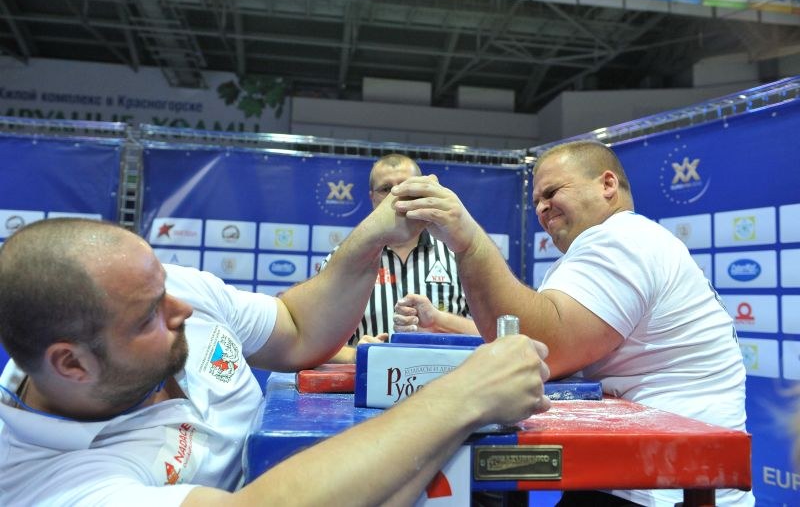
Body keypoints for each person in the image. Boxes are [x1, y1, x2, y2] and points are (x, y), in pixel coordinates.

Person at [0, 215, 551, 506]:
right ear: (72, 365)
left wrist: (369, 240)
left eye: (164, 285)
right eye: (148, 316)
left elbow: (295, 328)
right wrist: (462, 396)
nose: (182, 309)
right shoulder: (51, 485)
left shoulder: (171, 298)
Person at [391, 140, 754, 507]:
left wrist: (468, 241)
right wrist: (442, 321)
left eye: (551, 192)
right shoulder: (618, 244)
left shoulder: (622, 240)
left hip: (662, 488)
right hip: (651, 474)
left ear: (607, 185)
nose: (541, 207)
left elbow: (548, 348)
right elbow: (525, 338)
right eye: (535, 201)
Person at [322, 153, 477, 363]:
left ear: (422, 192)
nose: (396, 198)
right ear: (372, 197)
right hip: (367, 388)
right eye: (386, 189)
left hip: (447, 387)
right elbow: (313, 343)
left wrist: (440, 322)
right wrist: (355, 355)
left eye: (406, 187)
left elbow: (491, 335)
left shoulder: (458, 255)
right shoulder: (341, 261)